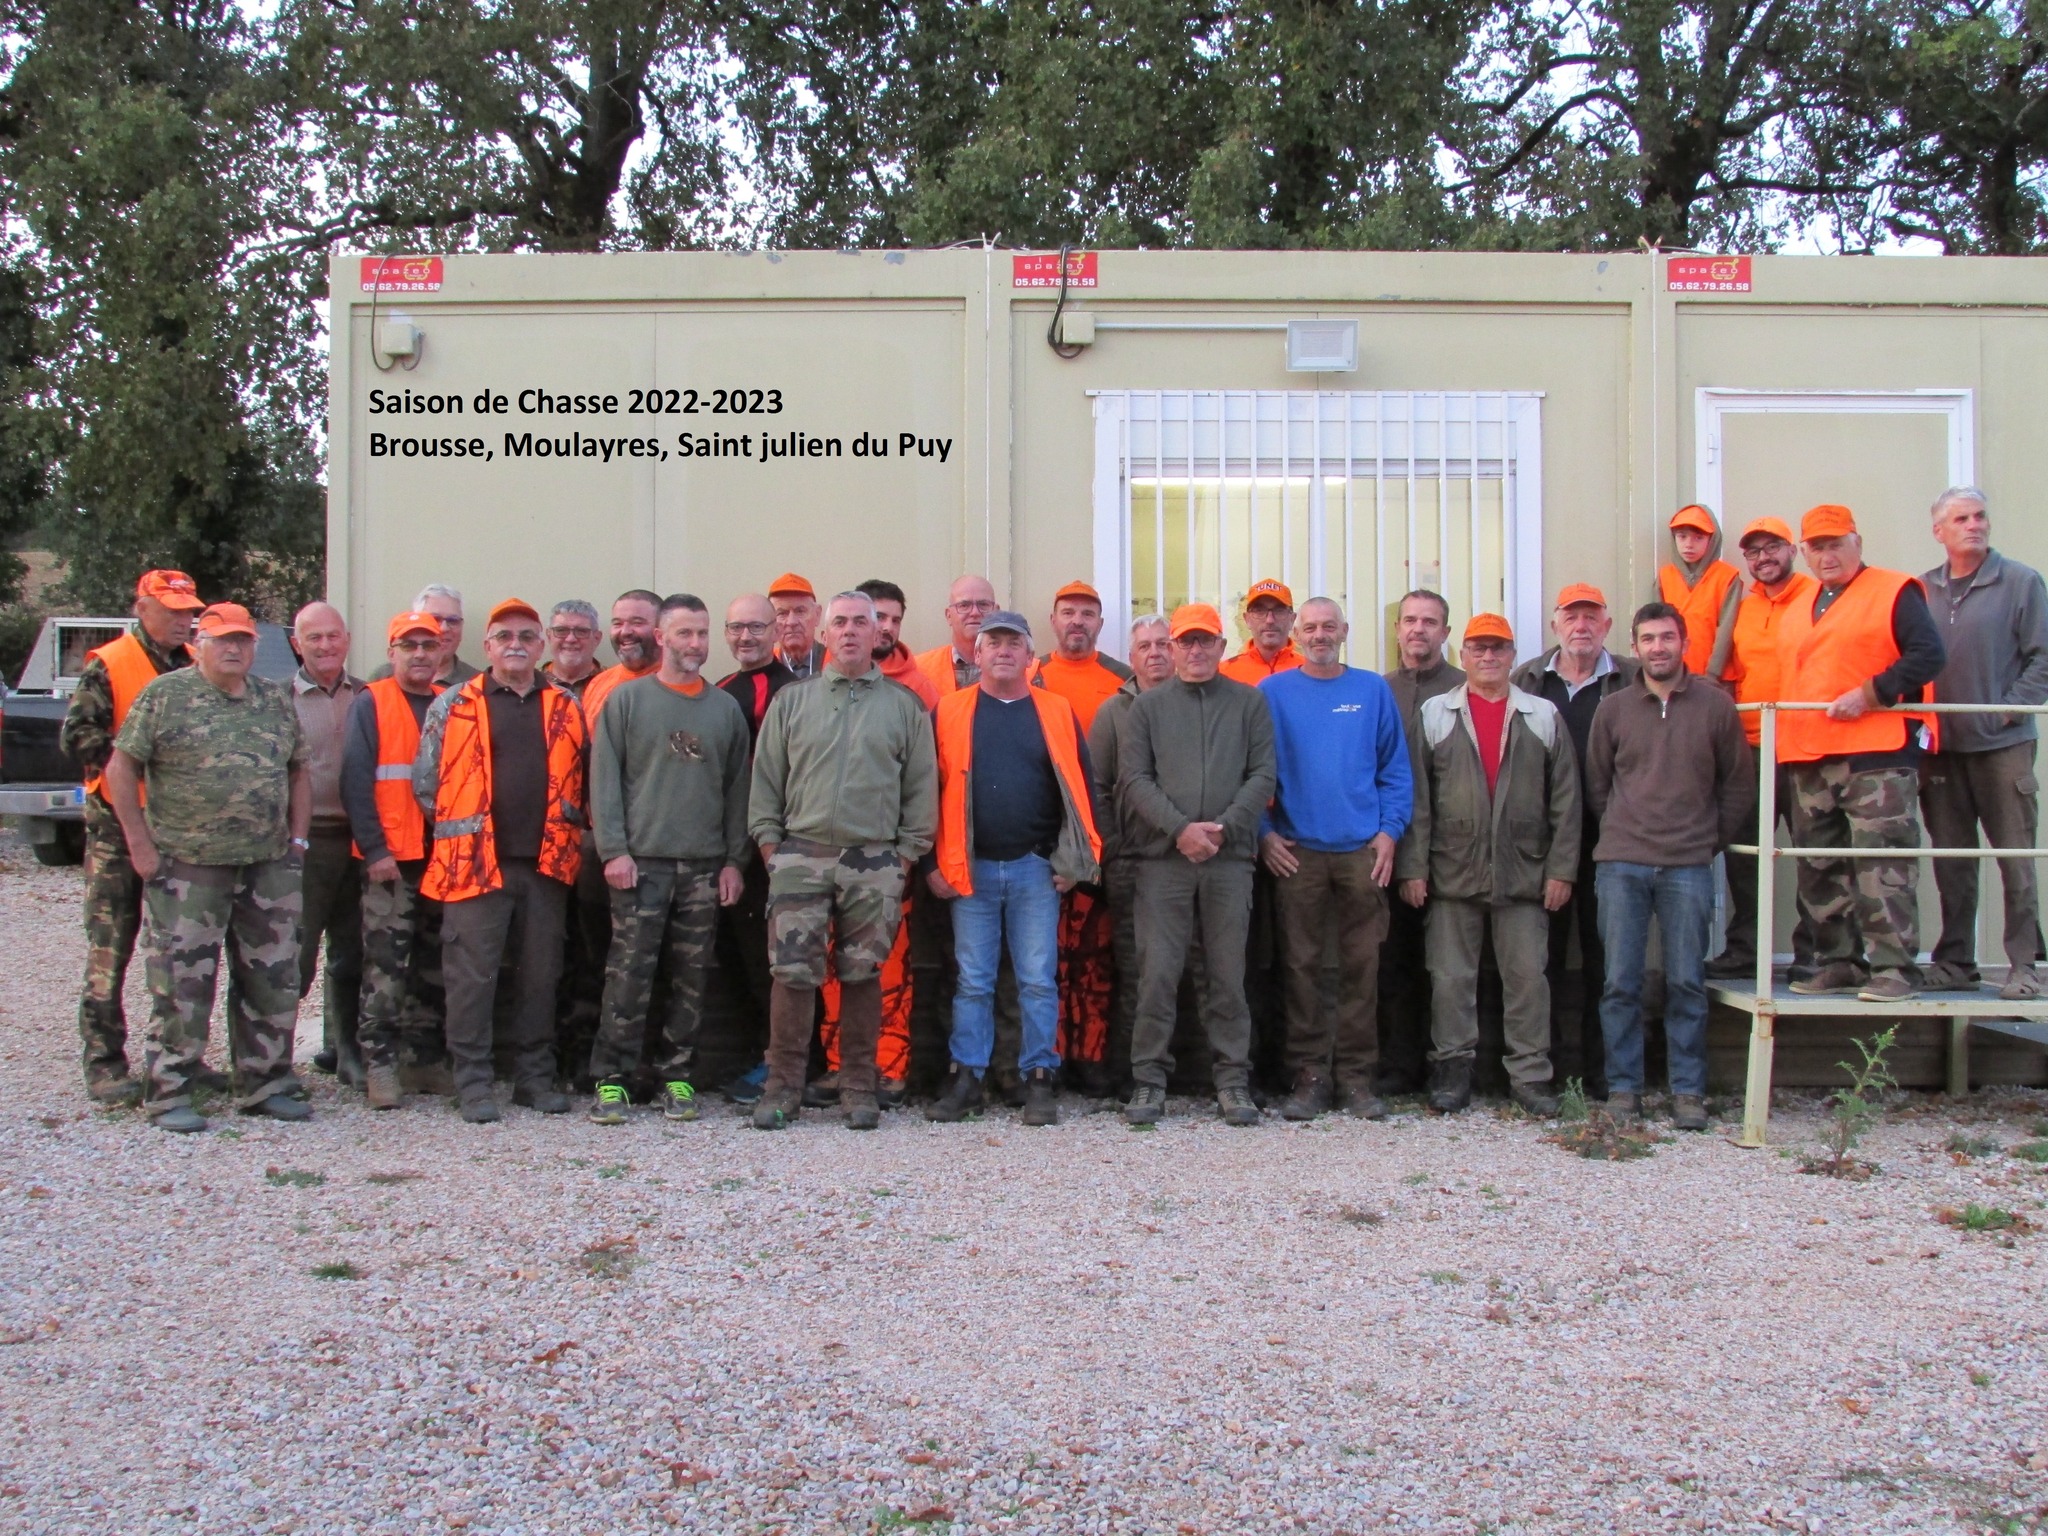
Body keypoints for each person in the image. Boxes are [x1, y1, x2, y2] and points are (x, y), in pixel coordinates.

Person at [104, 602, 312, 1132]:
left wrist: (297, 842)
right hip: (188, 866)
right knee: (181, 983)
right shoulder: (166, 695)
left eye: (242, 640)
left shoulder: (272, 697)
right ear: (200, 644)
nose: (234, 649)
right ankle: (170, 1089)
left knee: (272, 978)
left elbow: (299, 769)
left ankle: (264, 1083)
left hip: (266, 865)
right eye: (222, 640)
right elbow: (121, 769)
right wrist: (140, 845)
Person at [748, 591, 937, 1130]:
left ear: (878, 633)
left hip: (874, 860)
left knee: (863, 974)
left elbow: (921, 789)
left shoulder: (903, 706)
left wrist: (904, 858)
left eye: (861, 622)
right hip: (800, 854)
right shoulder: (793, 702)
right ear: (824, 633)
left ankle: (859, 1087)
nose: (850, 631)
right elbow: (765, 781)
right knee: (792, 975)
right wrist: (770, 847)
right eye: (840, 623)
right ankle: (783, 1088)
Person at [415, 598, 590, 1122]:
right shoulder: (452, 703)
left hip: (546, 866)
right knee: (471, 977)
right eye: (504, 635)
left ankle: (534, 1080)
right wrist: (466, 830)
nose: (516, 644)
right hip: (471, 864)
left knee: (542, 975)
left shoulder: (565, 705)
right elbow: (426, 787)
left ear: (541, 647)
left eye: (526, 636)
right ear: (487, 646)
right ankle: (473, 1081)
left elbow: (582, 779)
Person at [925, 610, 1101, 1127]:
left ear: (1030, 656)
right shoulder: (950, 711)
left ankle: (1039, 1078)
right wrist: (933, 863)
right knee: (974, 982)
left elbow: (1080, 788)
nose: (1003, 650)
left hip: (1034, 869)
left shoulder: (1055, 710)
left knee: (1038, 980)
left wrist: (1074, 860)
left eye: (1013, 643)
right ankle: (968, 1078)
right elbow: (928, 793)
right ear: (975, 654)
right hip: (970, 869)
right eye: (992, 642)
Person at [1401, 614, 1579, 1116]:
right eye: (1478, 648)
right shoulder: (1437, 713)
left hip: (1525, 872)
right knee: (1451, 978)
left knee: (1527, 979)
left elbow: (1566, 800)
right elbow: (1417, 801)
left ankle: (1530, 1076)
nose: (1488, 657)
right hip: (1451, 872)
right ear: (1464, 655)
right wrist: (1414, 868)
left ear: (1511, 654)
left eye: (1498, 649)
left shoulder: (1541, 714)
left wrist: (1561, 870)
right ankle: (1452, 1071)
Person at [585, 595, 751, 1124]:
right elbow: (604, 782)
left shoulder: (723, 709)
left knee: (691, 976)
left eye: (702, 634)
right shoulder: (627, 701)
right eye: (684, 634)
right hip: (641, 865)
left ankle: (677, 1076)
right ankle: (612, 1077)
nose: (695, 644)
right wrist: (613, 850)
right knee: (629, 973)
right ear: (661, 637)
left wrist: (733, 862)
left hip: (703, 868)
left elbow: (738, 793)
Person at [1586, 604, 1752, 1129]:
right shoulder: (1613, 709)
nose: (1658, 647)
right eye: (1648, 639)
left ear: (1684, 642)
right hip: (1621, 865)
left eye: (1667, 638)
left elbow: (1738, 785)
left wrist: (1707, 843)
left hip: (1688, 866)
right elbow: (1597, 785)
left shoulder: (1715, 706)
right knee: (1620, 983)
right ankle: (1624, 1089)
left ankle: (1687, 1092)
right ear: (1634, 647)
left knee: (1685, 982)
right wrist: (1622, 831)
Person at [1117, 603, 1277, 1126]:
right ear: (1171, 647)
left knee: (1228, 974)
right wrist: (1181, 830)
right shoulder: (1147, 707)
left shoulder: (1249, 704)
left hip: (1229, 863)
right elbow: (1135, 780)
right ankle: (1148, 1082)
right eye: (1185, 641)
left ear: (1222, 646)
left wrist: (1224, 830)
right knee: (1158, 974)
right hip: (1164, 862)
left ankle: (1232, 1080)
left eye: (1205, 640)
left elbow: (1263, 776)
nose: (1195, 650)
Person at [1780, 504, 1946, 1002]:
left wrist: (1871, 694)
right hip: (1808, 754)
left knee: (1881, 864)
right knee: (1819, 866)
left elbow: (1928, 655)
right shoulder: (1801, 602)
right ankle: (1839, 963)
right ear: (1804, 552)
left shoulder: (1894, 591)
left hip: (1876, 752)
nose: (1826, 554)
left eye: (1836, 543)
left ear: (1857, 542)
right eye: (1817, 546)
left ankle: (1895, 970)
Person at [1260, 598, 1412, 1122]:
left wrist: (1390, 833)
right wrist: (1263, 834)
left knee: (1361, 967)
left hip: (1360, 854)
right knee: (1302, 968)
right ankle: (1310, 1076)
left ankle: (1356, 1077)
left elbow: (1395, 770)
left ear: (1345, 631)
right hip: (1297, 853)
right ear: (1295, 635)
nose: (1319, 635)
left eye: (1329, 626)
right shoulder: (1272, 693)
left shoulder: (1372, 691)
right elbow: (1252, 772)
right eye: (1310, 628)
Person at [60, 568, 202, 1104]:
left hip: (178, 827)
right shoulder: (110, 662)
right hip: (118, 829)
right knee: (111, 948)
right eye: (171, 609)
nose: (183, 619)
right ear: (142, 608)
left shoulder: (194, 665)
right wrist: (135, 764)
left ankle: (175, 1056)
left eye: (189, 610)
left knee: (177, 951)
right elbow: (77, 736)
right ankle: (103, 1063)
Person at [1920, 488, 2048, 1000]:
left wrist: (2007, 708)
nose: (1974, 525)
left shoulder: (2020, 582)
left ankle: (2025, 965)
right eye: (1960, 518)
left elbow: (2043, 658)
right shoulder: (1922, 590)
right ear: (1940, 531)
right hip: (1943, 748)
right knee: (1952, 859)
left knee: (2016, 858)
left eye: (1979, 516)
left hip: (2003, 747)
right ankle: (1954, 961)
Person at [1510, 584, 1635, 1098]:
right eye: (1571, 616)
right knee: (1547, 961)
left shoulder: (1631, 677)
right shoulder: (1529, 681)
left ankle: (1606, 1072)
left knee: (1609, 960)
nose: (1581, 626)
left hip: (1613, 842)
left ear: (1607, 625)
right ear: (1555, 624)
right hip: (1545, 845)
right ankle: (1554, 1070)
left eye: (1591, 617)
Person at [341, 611, 452, 1109]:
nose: (420, 655)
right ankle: (380, 1066)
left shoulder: (449, 701)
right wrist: (375, 851)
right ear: (393, 653)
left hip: (441, 858)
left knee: (434, 963)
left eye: (429, 645)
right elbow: (355, 782)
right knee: (386, 967)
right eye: (409, 646)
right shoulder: (372, 701)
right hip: (392, 860)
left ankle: (425, 1060)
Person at [1029, 579, 1133, 1093]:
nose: (1077, 621)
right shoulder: (1031, 676)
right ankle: (1046, 1058)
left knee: (1094, 955)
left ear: (1100, 623)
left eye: (1087, 613)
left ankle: (1090, 1057)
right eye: (1067, 611)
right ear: (1053, 620)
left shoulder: (1121, 680)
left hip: (1099, 833)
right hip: (1041, 834)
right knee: (1044, 958)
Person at [1710, 517, 1820, 980]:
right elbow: (1728, 673)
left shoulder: (1818, 597)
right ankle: (1745, 949)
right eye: (1753, 552)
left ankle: (1814, 953)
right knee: (1744, 853)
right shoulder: (1745, 605)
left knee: (1813, 852)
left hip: (1806, 744)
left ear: (1792, 549)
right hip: (1751, 745)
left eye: (1772, 547)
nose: (1763, 558)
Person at [565, 589, 663, 1079]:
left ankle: (644, 1064)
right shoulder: (599, 687)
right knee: (596, 955)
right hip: (600, 846)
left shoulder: (679, 688)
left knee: (649, 964)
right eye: (620, 622)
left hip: (658, 851)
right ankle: (594, 1062)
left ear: (661, 630)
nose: (628, 632)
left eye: (638, 622)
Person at [712, 592, 800, 1104]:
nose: (745, 637)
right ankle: (758, 1056)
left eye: (755, 627)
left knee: (782, 958)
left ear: (776, 630)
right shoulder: (719, 691)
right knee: (742, 957)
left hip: (783, 848)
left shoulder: (796, 692)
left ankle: (783, 1062)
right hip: (731, 847)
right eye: (736, 628)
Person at [1088, 614, 1179, 1096]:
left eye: (1164, 643)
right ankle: (1130, 1075)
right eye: (1144, 646)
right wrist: (1115, 850)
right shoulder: (1113, 713)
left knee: (1195, 967)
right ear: (1132, 654)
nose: (1156, 653)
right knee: (1136, 969)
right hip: (1131, 863)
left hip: (1187, 860)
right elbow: (1097, 788)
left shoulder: (1194, 705)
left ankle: (1190, 1070)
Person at [1379, 590, 1464, 1097]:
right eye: (1409, 620)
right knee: (1393, 962)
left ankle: (1451, 1066)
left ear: (1445, 633)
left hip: (1453, 853)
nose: (1418, 629)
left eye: (1429, 622)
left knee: (1450, 967)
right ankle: (1397, 1065)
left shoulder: (1463, 687)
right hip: (1389, 849)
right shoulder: (1378, 689)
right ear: (1396, 629)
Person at [289, 601, 366, 1089]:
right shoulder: (279, 700)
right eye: (314, 637)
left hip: (359, 840)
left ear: (347, 640)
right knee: (291, 954)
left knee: (352, 953)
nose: (325, 645)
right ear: (297, 644)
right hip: (304, 841)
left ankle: (344, 1051)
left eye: (333, 636)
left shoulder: (366, 696)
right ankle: (267, 1061)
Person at [1657, 505, 1743, 682]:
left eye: (1699, 537)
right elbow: (1657, 627)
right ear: (1674, 538)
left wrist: (1713, 673)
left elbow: (1727, 629)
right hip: (1674, 677)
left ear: (1711, 540)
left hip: (1716, 679)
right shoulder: (1664, 577)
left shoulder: (1727, 577)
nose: (1689, 544)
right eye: (1682, 536)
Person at [369, 583, 477, 686]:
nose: (444, 628)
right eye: (435, 619)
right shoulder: (382, 677)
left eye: (453, 620)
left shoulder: (477, 682)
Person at [579, 590, 663, 721]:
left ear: (661, 631)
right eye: (617, 623)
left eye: (637, 622)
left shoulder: (676, 686)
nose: (625, 632)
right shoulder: (598, 683)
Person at [860, 577, 941, 708]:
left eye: (896, 620)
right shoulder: (830, 673)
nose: (889, 628)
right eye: (880, 617)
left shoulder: (918, 688)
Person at [916, 575, 999, 697]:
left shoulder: (1027, 670)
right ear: (949, 616)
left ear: (996, 612)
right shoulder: (919, 669)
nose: (975, 612)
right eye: (964, 605)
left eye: (983, 604)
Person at [1220, 579, 1303, 684]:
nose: (1269, 620)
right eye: (1259, 611)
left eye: (1279, 611)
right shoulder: (1224, 674)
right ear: (1247, 619)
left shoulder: (1310, 672)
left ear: (1292, 619)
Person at [768, 572, 827, 679]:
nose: (791, 622)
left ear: (817, 615)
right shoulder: (766, 665)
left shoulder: (838, 662)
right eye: (782, 613)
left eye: (800, 611)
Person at [541, 599, 603, 699]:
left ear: (596, 638)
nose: (570, 639)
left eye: (581, 631)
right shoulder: (531, 685)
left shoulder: (612, 685)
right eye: (561, 630)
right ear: (549, 636)